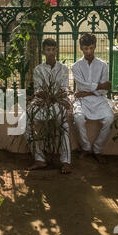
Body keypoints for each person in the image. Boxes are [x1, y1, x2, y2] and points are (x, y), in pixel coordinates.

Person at [26, 38, 72, 174]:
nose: (51, 52)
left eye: (53, 49)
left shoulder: (63, 69)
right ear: (43, 51)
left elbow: (64, 89)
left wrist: (54, 97)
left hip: (58, 103)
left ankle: (66, 161)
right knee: (25, 124)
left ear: (56, 50)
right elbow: (38, 91)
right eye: (48, 50)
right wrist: (48, 96)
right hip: (41, 104)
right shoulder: (38, 69)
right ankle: (39, 159)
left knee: (64, 125)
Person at [72, 33, 114, 164]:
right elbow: (81, 85)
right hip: (81, 101)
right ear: (81, 48)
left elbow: (103, 90)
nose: (88, 51)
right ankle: (85, 147)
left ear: (95, 46)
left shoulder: (103, 65)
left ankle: (97, 149)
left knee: (109, 118)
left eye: (91, 48)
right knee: (78, 118)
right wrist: (99, 86)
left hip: (99, 100)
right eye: (85, 48)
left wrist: (87, 92)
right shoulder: (76, 66)